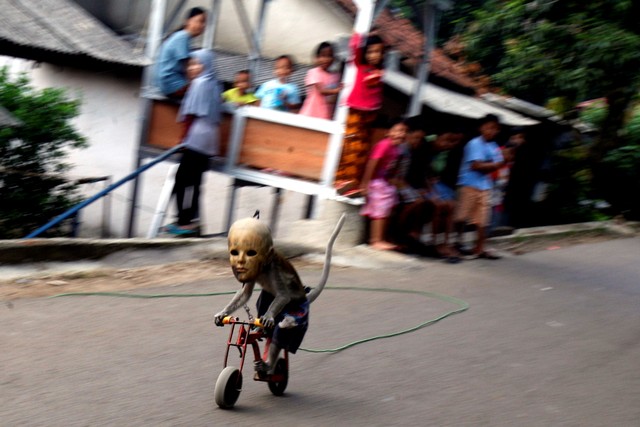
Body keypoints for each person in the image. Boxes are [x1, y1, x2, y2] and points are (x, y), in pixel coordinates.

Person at [165, 49, 222, 235]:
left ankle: (183, 221)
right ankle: (191, 220)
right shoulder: (215, 84)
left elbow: (190, 114)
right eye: (191, 64)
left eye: (197, 63)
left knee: (181, 180)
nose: (193, 67)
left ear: (206, 65)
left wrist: (183, 140)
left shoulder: (198, 84)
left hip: (197, 136)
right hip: (210, 138)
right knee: (195, 182)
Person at [334, 32, 386, 196]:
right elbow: (354, 45)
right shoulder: (360, 65)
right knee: (351, 144)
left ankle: (353, 182)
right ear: (365, 53)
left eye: (377, 52)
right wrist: (362, 34)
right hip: (356, 110)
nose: (373, 55)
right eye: (370, 51)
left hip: (370, 114)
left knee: (362, 148)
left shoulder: (380, 72)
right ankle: (342, 179)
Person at [453, 114, 505, 259]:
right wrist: (493, 165)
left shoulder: (493, 146)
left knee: (483, 220)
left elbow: (496, 164)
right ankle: (457, 243)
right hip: (469, 183)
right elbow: (476, 165)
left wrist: (490, 165)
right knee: (461, 216)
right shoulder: (474, 143)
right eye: (489, 127)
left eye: (494, 128)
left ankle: (480, 247)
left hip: (484, 186)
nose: (491, 131)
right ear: (481, 128)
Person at [359, 119, 408, 251]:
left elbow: (392, 167)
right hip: (376, 181)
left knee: (387, 208)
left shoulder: (396, 148)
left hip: (385, 182)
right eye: (398, 130)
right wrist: (365, 183)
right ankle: (376, 240)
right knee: (380, 210)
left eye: (404, 131)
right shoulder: (384, 145)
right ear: (388, 132)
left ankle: (382, 238)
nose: (401, 134)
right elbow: (372, 163)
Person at [155, 7, 207, 98]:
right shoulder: (183, 37)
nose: (203, 25)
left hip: (167, 84)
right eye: (200, 21)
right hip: (173, 85)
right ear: (188, 21)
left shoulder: (181, 36)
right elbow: (188, 69)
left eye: (204, 22)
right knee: (208, 92)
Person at [299, 41, 342, 119]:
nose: (326, 59)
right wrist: (337, 90)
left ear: (333, 58)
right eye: (323, 56)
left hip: (325, 116)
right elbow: (321, 90)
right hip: (309, 114)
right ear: (317, 58)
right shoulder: (313, 72)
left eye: (329, 56)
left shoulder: (336, 76)